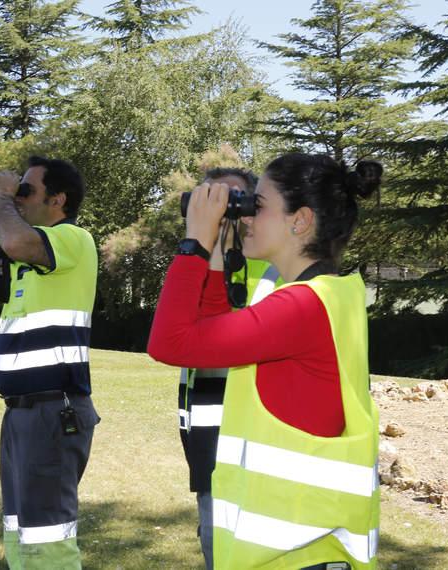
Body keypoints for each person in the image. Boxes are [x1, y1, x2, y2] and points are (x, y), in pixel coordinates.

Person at [148, 153, 382, 569]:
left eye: (258, 204)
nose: (246, 215)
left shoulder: (302, 305)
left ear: (300, 220)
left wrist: (195, 241)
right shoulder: (331, 293)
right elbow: (212, 334)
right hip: (301, 545)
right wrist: (217, 251)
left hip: (296, 552)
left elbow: (170, 342)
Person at [0, 156, 100, 569]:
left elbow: (15, 243)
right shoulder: (26, 253)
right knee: (21, 532)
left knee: (48, 540)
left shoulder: (73, 239)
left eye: (28, 191)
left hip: (53, 411)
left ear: (58, 200)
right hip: (22, 412)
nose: (20, 199)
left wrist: (5, 197)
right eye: (17, 190)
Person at [176, 167, 282, 570]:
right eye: (211, 199)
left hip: (255, 443)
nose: (223, 211)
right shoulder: (192, 265)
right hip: (206, 441)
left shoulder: (271, 270)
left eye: (231, 201)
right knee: (215, 548)